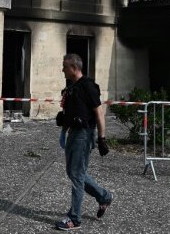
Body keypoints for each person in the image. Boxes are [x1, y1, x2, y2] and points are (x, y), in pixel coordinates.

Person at [55, 53, 113, 231]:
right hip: (73, 133)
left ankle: (75, 218)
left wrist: (102, 138)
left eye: (64, 66)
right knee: (74, 173)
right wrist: (63, 126)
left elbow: (99, 112)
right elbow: (72, 112)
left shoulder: (88, 86)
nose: (62, 69)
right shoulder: (72, 87)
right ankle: (104, 196)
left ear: (74, 68)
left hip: (84, 134)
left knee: (77, 175)